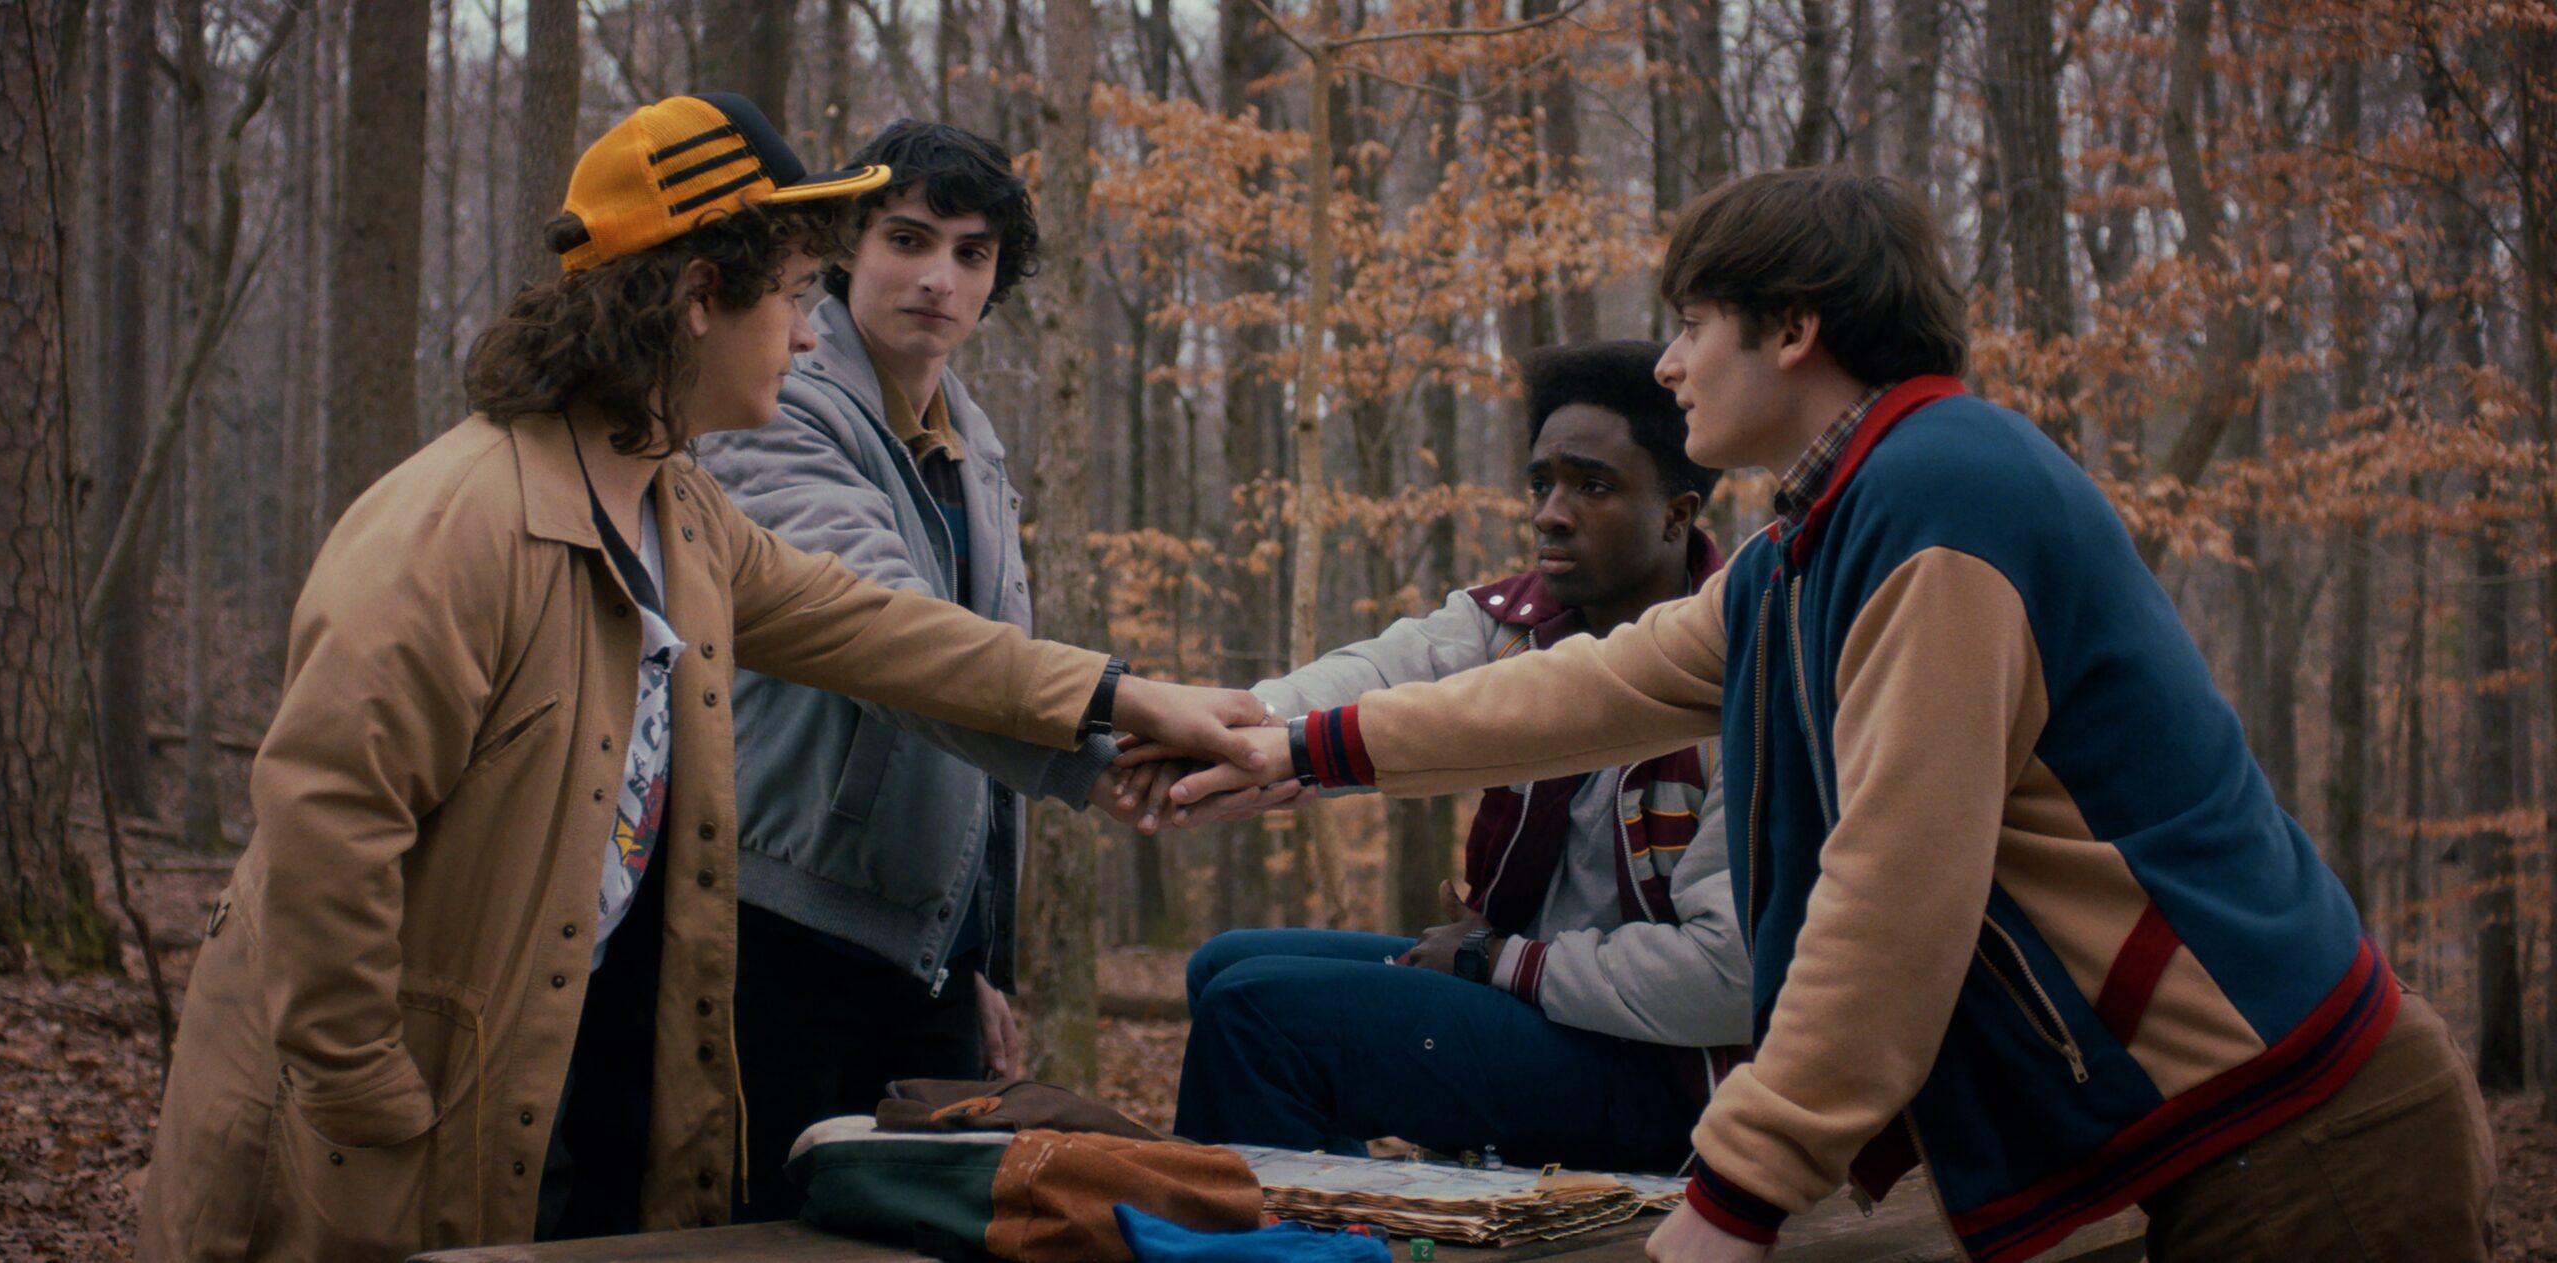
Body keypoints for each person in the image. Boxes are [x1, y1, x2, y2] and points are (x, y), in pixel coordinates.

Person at [1161, 169, 2495, 1262]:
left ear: (1791, 328)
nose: (1670, 364)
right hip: (2217, 1136)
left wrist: (1742, 1185)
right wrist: (1302, 746)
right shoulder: (1819, 540)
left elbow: (1894, 885)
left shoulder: (1941, 501)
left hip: (2307, 1134)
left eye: (1693, 323)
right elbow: (1597, 685)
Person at [136, 93, 1262, 1263]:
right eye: (789, 295)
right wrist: (366, 1093)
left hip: (519, 1087)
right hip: (359, 1126)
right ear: (695, 301)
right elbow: (326, 822)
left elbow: (880, 630)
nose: (809, 335)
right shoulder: (456, 524)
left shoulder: (677, 511)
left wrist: (1123, 700)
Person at [1163, 342, 1751, 1174]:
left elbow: (1731, 979)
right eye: (1540, 484)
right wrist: (1219, 732)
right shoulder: (1513, 626)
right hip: (1537, 1001)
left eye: (1592, 486)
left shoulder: (1740, 677)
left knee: (1257, 1014)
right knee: (1224, 964)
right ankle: (1340, 1214)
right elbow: (1370, 677)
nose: (1550, 514)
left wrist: (1496, 959)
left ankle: (1284, 1224)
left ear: (1676, 514)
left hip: (1666, 1074)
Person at [695, 120, 1132, 1220]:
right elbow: (901, 642)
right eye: (908, 239)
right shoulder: (773, 402)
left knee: (927, 1237)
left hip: (921, 951)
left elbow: (975, 727)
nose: (939, 278)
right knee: (765, 1233)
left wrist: (971, 946)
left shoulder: (973, 444)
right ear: (847, 246)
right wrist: (1117, 742)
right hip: (775, 923)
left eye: (972, 253)